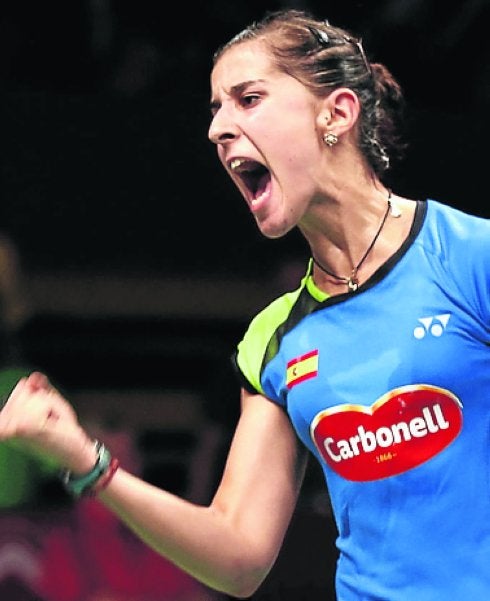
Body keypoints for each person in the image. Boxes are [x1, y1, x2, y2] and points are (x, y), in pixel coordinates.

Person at [0, 8, 489, 600]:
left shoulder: (468, 257)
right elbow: (238, 556)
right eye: (215, 109)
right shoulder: (275, 339)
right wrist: (87, 461)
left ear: (336, 113)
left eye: (248, 99)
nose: (217, 129)